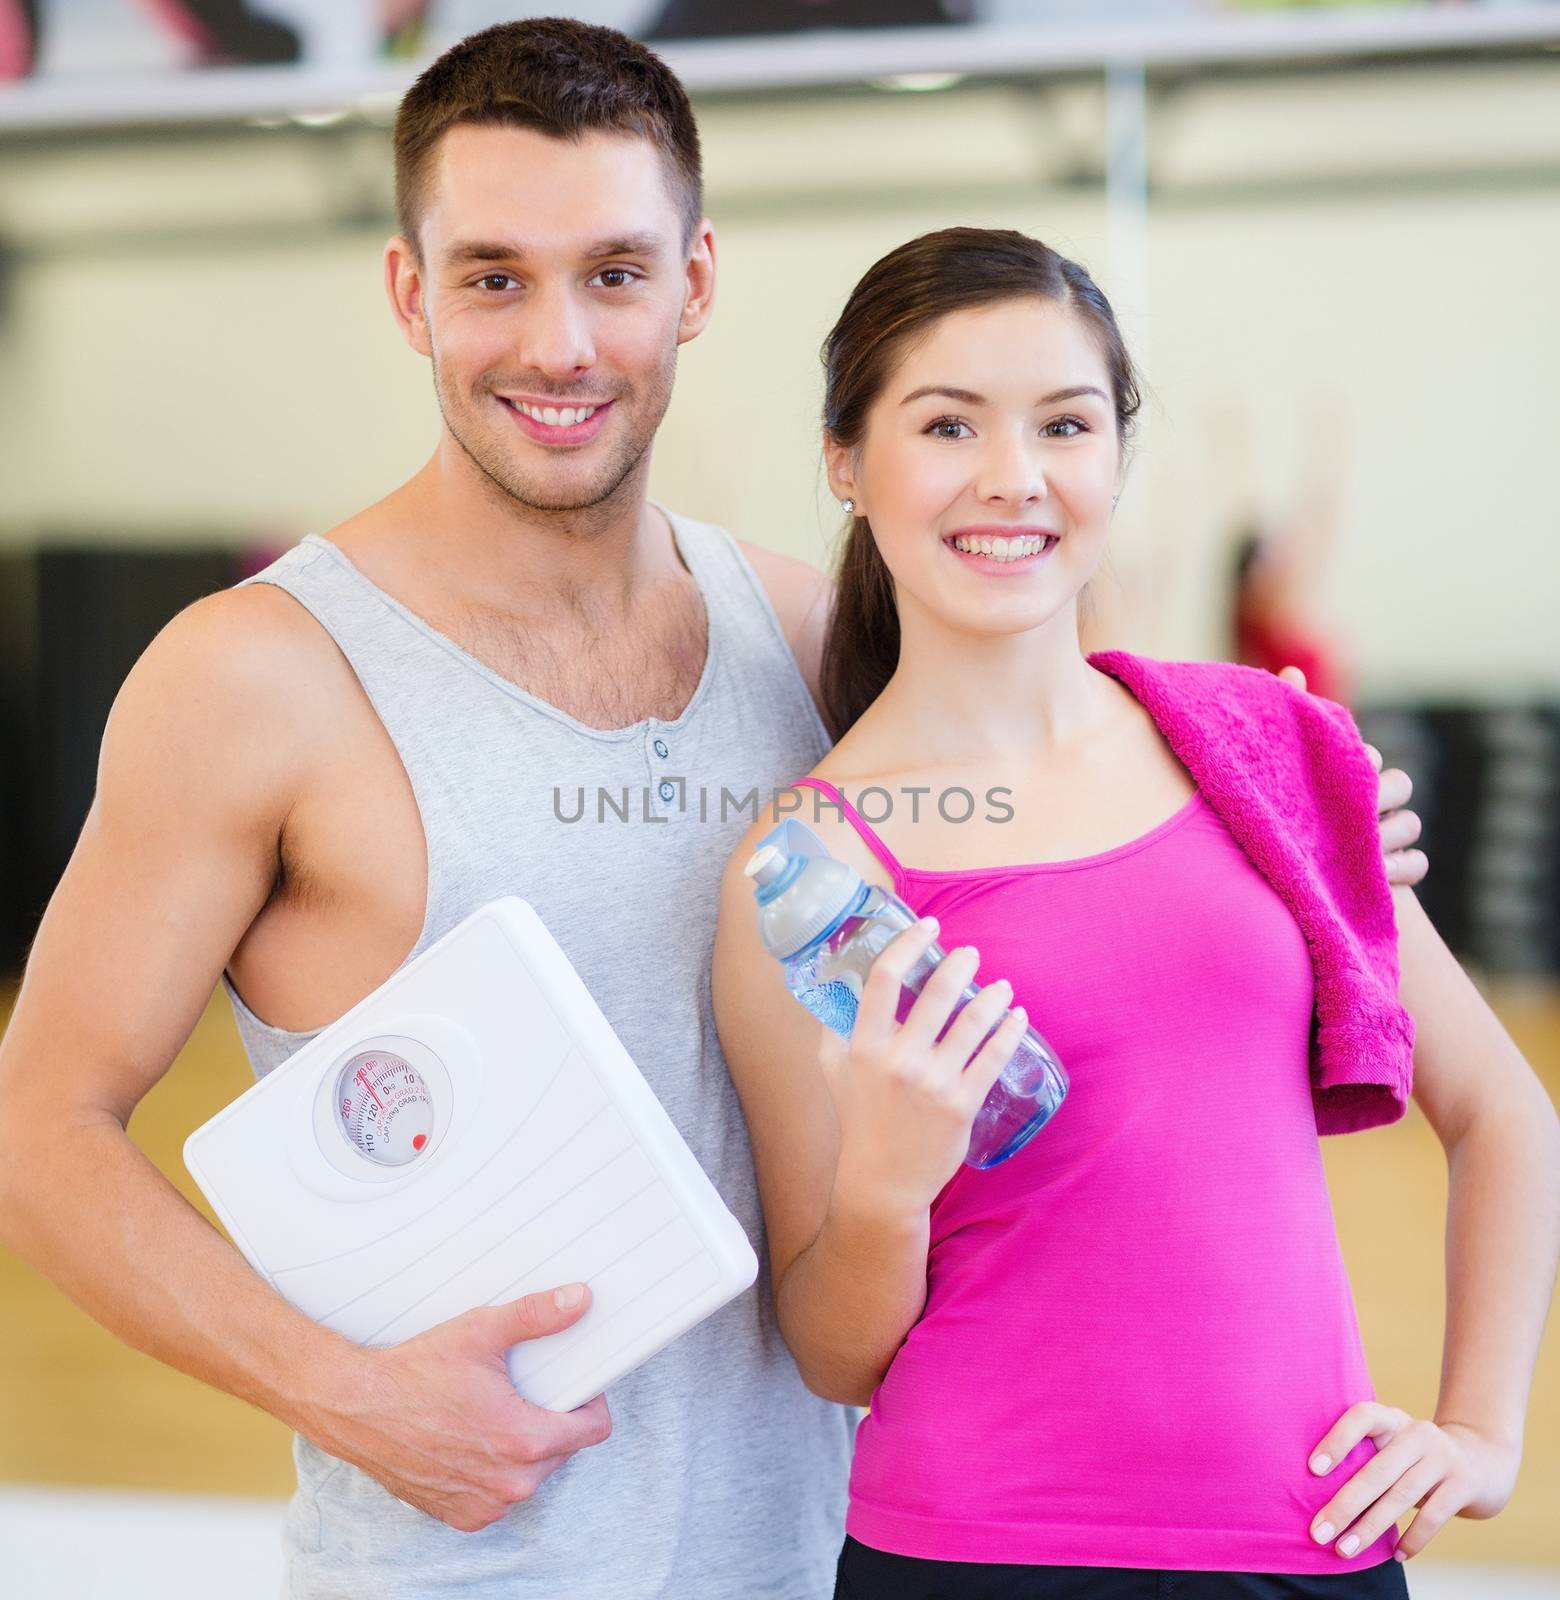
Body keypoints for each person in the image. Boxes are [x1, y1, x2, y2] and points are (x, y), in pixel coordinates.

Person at [0, 20, 1423, 1600]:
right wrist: (348, 1395)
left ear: (695, 284)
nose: (559, 343)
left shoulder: (806, 635)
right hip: (468, 1570)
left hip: (831, 1555)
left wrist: (1292, 830)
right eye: (492, 276)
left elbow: (1070, 809)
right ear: (411, 294)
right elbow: (36, 1129)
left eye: (614, 271)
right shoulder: (256, 679)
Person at [711, 227, 1560, 1600]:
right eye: (947, 424)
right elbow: (830, 1349)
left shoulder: (1263, 755)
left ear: (1116, 455)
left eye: (1065, 423)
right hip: (979, 1557)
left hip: (1313, 1543)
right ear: (847, 463)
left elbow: (1508, 1115)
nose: (1014, 478)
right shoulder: (813, 865)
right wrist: (885, 1182)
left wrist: (1480, 1431)